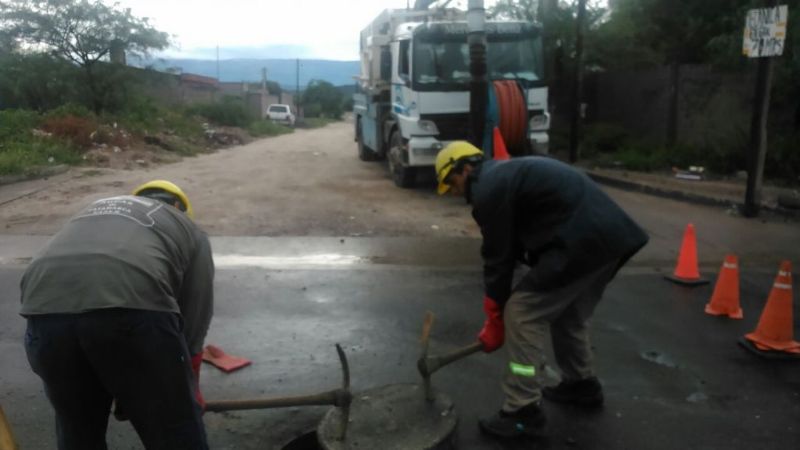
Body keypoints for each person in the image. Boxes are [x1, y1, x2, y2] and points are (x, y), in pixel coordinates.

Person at [434, 142, 649, 438]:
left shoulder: (489, 188)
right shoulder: (505, 174)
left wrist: (495, 312)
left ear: (466, 167)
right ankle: (582, 385)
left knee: (521, 315)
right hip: (608, 239)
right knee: (567, 313)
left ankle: (522, 410)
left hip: (582, 241)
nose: (454, 191)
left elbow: (499, 256)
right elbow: (522, 243)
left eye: (451, 181)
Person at [20, 180, 214, 450]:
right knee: (174, 431)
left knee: (78, 430)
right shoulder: (190, 230)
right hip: (130, 312)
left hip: (43, 316)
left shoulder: (95, 210)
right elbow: (194, 317)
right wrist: (188, 389)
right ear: (182, 208)